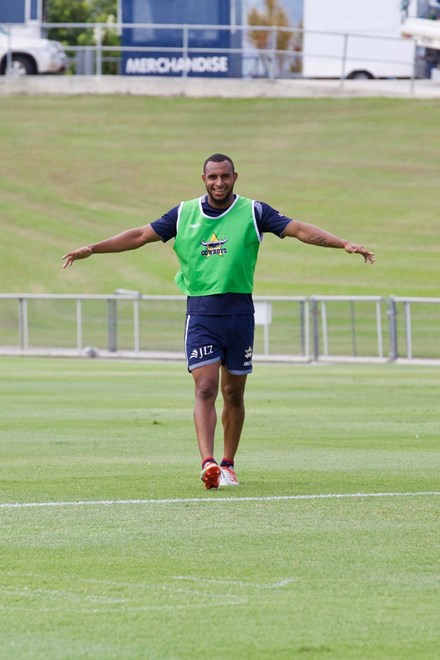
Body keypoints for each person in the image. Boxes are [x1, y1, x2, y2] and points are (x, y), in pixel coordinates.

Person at [62, 153, 375, 490]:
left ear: (235, 177)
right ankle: (207, 463)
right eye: (213, 177)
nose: (219, 183)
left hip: (240, 313)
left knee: (233, 394)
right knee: (205, 388)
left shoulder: (255, 211)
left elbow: (299, 230)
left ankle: (228, 464)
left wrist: (342, 243)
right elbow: (139, 235)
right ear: (204, 179)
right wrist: (93, 248)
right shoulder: (184, 213)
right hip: (201, 313)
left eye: (225, 176)